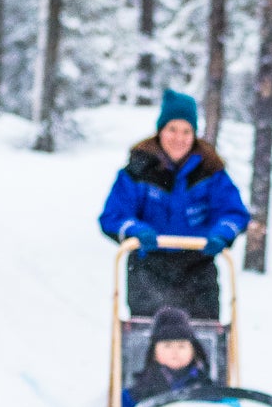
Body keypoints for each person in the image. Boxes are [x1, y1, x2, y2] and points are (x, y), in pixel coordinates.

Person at [98, 90, 250, 319]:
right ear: (161, 130)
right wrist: (136, 230)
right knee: (150, 338)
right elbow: (113, 215)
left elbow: (233, 212)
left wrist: (221, 234)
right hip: (148, 267)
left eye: (186, 131)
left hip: (198, 267)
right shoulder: (139, 169)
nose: (179, 138)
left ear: (194, 134)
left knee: (201, 339)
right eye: (172, 129)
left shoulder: (210, 171)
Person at [121, 306, 212, 407]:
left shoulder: (209, 390)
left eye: (182, 346)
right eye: (167, 345)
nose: (175, 352)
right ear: (154, 352)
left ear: (194, 351)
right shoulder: (134, 396)